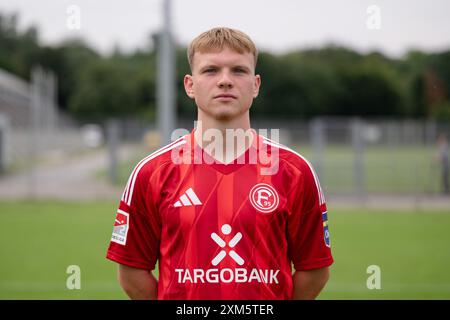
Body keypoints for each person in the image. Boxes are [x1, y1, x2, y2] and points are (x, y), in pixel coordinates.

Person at [106, 27, 333, 300]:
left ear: (256, 85)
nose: (225, 81)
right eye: (211, 70)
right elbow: (131, 270)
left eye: (238, 70)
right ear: (190, 85)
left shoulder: (295, 171)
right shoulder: (151, 172)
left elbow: (314, 269)